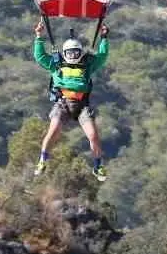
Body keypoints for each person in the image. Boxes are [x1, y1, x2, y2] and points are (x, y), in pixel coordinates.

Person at [32, 19, 109, 181]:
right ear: (64, 53)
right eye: (69, 53)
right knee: (53, 132)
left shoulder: (88, 65)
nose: (72, 55)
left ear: (80, 52)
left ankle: (98, 166)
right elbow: (40, 57)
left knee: (93, 136)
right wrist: (39, 36)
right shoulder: (56, 64)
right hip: (63, 104)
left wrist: (104, 38)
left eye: (75, 52)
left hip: (81, 106)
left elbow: (102, 56)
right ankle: (42, 160)